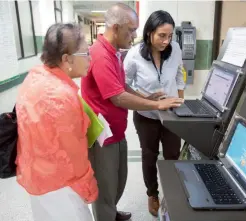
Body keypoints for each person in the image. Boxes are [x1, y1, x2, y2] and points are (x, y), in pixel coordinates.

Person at [81, 3, 183, 221]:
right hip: (103, 134)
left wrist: (146, 98)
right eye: (131, 30)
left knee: (117, 180)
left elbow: (122, 86)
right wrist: (156, 105)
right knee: (105, 185)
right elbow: (117, 96)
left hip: (116, 130)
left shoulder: (114, 52)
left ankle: (112, 212)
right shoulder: (101, 55)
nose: (134, 35)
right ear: (116, 28)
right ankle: (107, 216)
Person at [16, 23, 98, 221]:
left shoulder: (35, 77)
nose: (90, 58)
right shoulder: (61, 97)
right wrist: (88, 186)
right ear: (66, 59)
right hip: (60, 187)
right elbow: (73, 157)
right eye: (85, 53)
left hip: (37, 177)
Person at [123, 10, 186, 217]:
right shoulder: (134, 54)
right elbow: (124, 83)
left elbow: (179, 73)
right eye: (161, 35)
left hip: (171, 113)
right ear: (149, 32)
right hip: (146, 116)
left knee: (172, 154)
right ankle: (153, 193)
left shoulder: (175, 49)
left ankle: (172, 192)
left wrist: (180, 98)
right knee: (149, 155)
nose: (166, 41)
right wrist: (145, 99)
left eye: (169, 36)